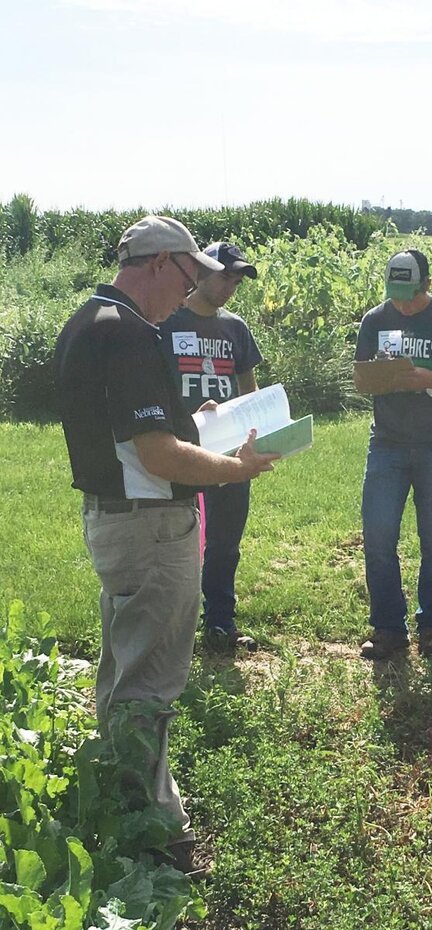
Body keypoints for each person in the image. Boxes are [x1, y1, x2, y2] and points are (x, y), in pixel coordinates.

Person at [54, 216, 279, 875]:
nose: (188, 295)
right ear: (158, 264)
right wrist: (234, 469)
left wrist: (199, 425)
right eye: (187, 278)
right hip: (150, 526)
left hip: (125, 519)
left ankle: (142, 802)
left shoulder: (96, 320)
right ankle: (147, 834)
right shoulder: (124, 333)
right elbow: (154, 454)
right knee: (149, 680)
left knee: (128, 669)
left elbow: (140, 430)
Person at [354, 249, 432, 659]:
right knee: (377, 538)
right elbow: (359, 380)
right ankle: (389, 628)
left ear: (427, 284)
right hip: (386, 444)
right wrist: (381, 377)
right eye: (395, 294)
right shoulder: (374, 321)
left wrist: (428, 378)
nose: (403, 304)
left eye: (410, 294)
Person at [160, 242, 262, 653]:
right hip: (177, 448)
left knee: (224, 542)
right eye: (224, 276)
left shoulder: (235, 328)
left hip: (227, 452)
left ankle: (220, 623)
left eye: (236, 281)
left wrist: (251, 432)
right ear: (200, 271)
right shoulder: (167, 323)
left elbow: (248, 387)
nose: (229, 287)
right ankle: (172, 626)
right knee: (174, 541)